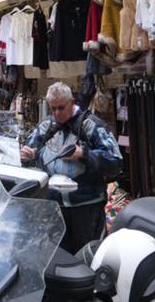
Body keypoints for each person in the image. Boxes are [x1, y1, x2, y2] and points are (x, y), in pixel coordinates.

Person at [20, 82, 122, 255]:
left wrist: (84, 154)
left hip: (86, 206)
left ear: (72, 102)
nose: (57, 113)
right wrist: (27, 156)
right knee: (59, 259)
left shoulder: (92, 125)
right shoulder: (46, 127)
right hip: (54, 208)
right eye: (53, 109)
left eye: (61, 108)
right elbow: (28, 155)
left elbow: (115, 162)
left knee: (88, 257)